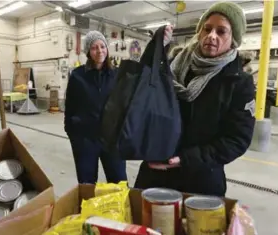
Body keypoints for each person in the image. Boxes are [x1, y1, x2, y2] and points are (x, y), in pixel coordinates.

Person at [134, 2, 256, 197]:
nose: (212, 36)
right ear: (199, 32)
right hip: (155, 172)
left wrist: (185, 158)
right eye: (207, 29)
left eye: (221, 31)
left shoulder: (238, 83)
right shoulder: (173, 66)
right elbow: (144, 100)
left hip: (201, 181)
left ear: (233, 39)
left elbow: (236, 139)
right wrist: (155, 51)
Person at [64, 30, 127, 184]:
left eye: (102, 46)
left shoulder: (117, 75)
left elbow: (123, 105)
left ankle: (119, 209)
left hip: (112, 140)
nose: (99, 51)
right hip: (85, 140)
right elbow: (70, 106)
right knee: (87, 184)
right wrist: (73, 133)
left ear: (107, 48)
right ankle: (88, 208)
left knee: (119, 183)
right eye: (94, 47)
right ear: (88, 51)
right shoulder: (77, 76)